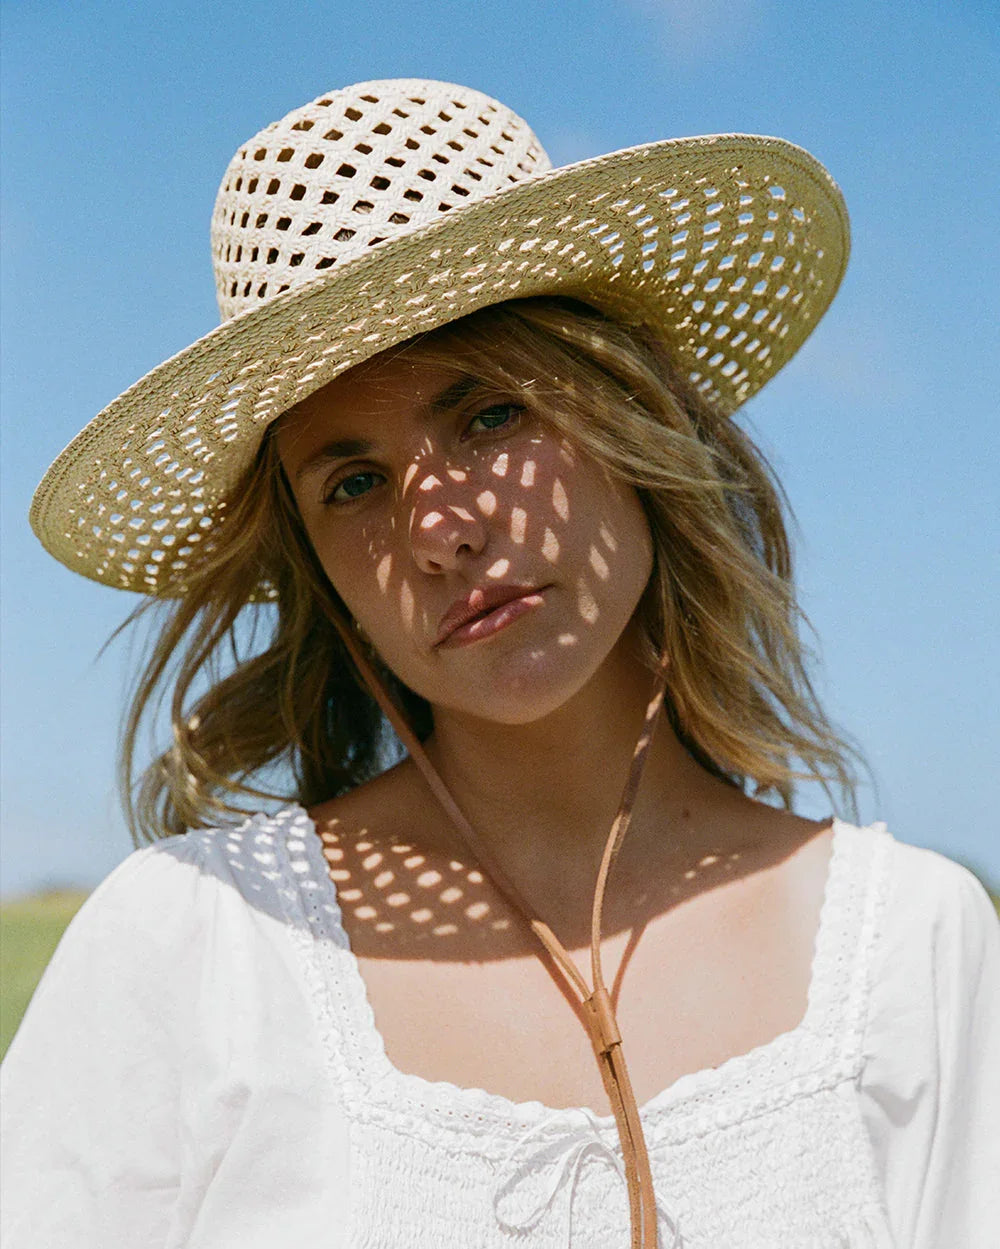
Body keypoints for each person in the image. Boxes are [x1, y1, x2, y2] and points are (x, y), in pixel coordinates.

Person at [2, 78, 997, 1249]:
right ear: (317, 570)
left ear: (634, 418)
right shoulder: (192, 948)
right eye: (354, 483)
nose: (442, 531)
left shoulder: (913, 950)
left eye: (491, 416)